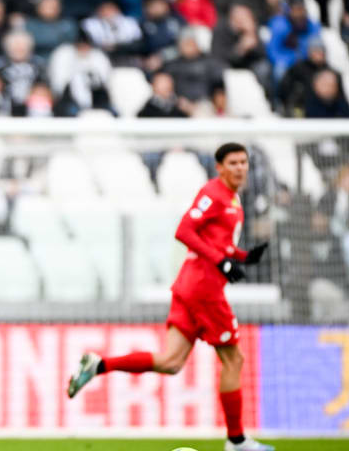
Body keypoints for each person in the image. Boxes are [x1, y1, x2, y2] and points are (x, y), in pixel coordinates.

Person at [67, 142, 274, 451]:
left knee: (171, 361)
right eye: (232, 163)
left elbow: (219, 244)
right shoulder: (213, 193)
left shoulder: (233, 198)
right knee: (235, 358)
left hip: (191, 285)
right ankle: (237, 442)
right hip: (204, 287)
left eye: (243, 162)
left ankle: (98, 365)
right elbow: (185, 231)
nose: (240, 168)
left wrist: (243, 256)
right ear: (219, 167)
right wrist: (221, 261)